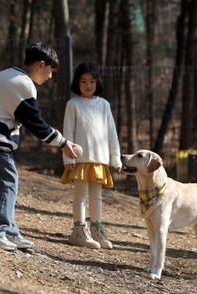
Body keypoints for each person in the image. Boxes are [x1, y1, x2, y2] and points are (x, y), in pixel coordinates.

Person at [0, 42, 78, 251]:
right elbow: (36, 123)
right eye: (51, 70)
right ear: (41, 65)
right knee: (6, 182)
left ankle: (8, 231)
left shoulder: (4, 74)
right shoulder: (23, 84)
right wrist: (63, 142)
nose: (50, 76)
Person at [60, 62, 122, 249]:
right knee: (80, 194)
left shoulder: (104, 105)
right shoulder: (73, 104)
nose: (88, 85)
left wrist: (115, 158)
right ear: (77, 82)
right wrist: (69, 158)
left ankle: (97, 229)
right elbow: (68, 133)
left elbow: (112, 133)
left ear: (98, 82)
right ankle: (79, 231)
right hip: (80, 159)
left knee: (97, 196)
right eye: (83, 81)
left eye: (92, 81)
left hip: (99, 159)